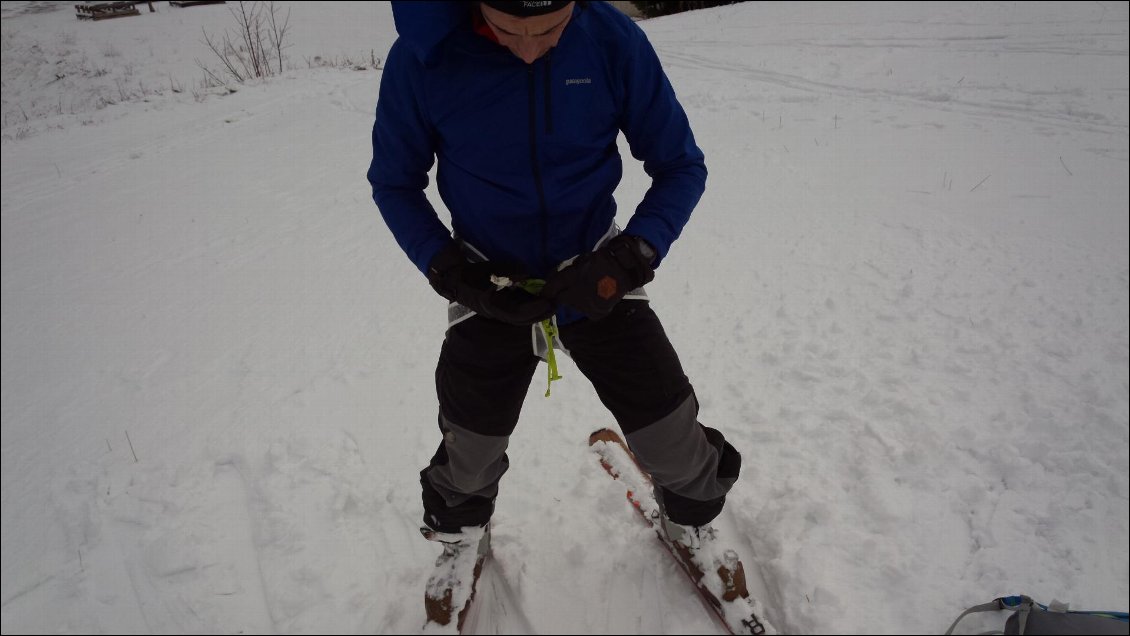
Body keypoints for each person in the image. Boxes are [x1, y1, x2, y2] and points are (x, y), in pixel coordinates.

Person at [367, 0, 742, 613]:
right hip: (491, 282)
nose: (532, 49)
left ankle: (689, 521)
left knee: (677, 443)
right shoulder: (425, 56)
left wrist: (628, 257)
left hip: (594, 273)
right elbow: (394, 182)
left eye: (551, 30)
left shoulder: (611, 40)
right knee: (469, 452)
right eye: (511, 31)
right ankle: (461, 535)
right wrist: (451, 269)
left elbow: (680, 166)